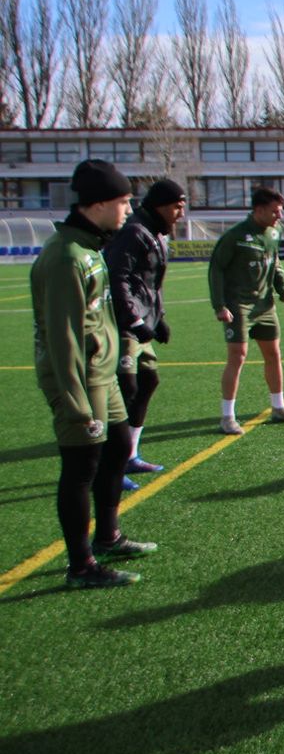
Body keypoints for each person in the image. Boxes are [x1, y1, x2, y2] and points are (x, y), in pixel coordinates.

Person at [31, 160, 158, 588]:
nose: (128, 210)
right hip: (81, 381)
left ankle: (108, 536)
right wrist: (75, 401)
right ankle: (80, 565)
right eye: (123, 202)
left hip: (103, 374)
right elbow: (62, 337)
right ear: (98, 204)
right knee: (81, 468)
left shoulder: (89, 248)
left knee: (119, 444)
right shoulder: (66, 255)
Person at [209, 186, 284, 434]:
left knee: (273, 354)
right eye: (275, 211)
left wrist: (281, 284)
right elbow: (216, 269)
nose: (279, 216)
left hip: (265, 304)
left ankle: (278, 407)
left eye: (281, 211)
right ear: (258, 209)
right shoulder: (235, 236)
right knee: (238, 356)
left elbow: (274, 260)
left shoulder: (274, 232)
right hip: (238, 305)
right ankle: (227, 416)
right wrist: (219, 305)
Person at [106, 178, 186, 483]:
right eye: (177, 206)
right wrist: (134, 321)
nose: (180, 213)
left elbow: (151, 284)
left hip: (144, 321)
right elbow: (119, 278)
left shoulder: (154, 233)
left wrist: (158, 317)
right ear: (160, 205)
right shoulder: (134, 232)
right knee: (125, 390)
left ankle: (129, 456)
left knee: (148, 380)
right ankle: (111, 464)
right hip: (126, 326)